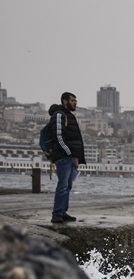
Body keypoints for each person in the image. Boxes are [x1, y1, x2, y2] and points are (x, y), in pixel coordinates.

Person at [49, 92, 86, 223]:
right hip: (64, 156)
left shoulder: (69, 116)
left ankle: (63, 211)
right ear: (65, 101)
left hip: (69, 157)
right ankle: (57, 213)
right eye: (72, 100)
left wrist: (75, 157)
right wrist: (69, 153)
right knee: (63, 185)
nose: (75, 103)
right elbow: (58, 136)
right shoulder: (59, 115)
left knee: (68, 185)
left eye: (75, 100)